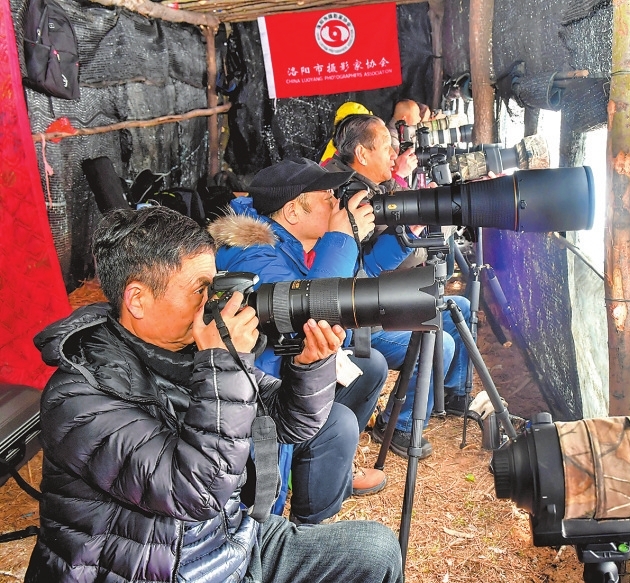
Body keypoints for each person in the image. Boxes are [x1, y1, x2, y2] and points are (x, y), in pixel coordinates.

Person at [24, 205, 403, 583]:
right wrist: (222, 364)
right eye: (200, 290)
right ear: (137, 299)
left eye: (215, 285)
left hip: (228, 542)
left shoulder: (189, 350)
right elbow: (197, 493)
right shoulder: (78, 398)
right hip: (150, 570)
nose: (215, 302)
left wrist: (309, 365)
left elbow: (291, 423)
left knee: (377, 550)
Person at [209, 161, 392, 519]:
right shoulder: (253, 256)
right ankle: (304, 528)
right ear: (293, 211)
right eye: (327, 197)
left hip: (290, 371)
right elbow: (314, 317)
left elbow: (357, 283)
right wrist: (342, 238)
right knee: (339, 423)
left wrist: (398, 238)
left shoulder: (291, 244)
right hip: (263, 399)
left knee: (369, 366)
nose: (336, 203)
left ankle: (332, 469)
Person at [324, 114, 473, 459]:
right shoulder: (350, 198)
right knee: (439, 342)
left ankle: (450, 392)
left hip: (380, 293)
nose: (395, 155)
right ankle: (398, 425)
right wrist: (415, 229)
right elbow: (372, 266)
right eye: (386, 147)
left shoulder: (369, 187)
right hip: (362, 312)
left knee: (459, 309)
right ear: (362, 154)